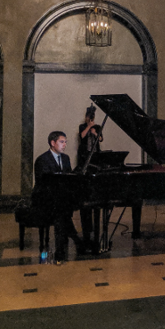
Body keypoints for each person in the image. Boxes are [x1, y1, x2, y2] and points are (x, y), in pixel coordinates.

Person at [33, 131, 85, 264]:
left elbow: (67, 179)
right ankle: (69, 245)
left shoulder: (66, 158)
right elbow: (43, 183)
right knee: (61, 214)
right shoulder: (42, 160)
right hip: (44, 199)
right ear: (52, 143)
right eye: (62, 142)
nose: (65, 145)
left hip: (60, 199)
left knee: (61, 212)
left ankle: (67, 248)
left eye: (66, 142)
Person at [77, 106, 103, 248]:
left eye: (92, 117)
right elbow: (81, 136)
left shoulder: (98, 126)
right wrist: (88, 127)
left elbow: (100, 139)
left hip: (95, 158)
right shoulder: (82, 126)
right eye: (89, 116)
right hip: (84, 158)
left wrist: (95, 132)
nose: (91, 119)